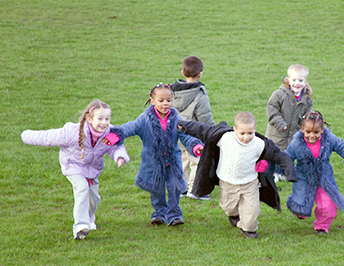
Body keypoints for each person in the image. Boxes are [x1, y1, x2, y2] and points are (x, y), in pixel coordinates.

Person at [21, 99, 130, 240]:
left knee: (94, 198)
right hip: (73, 166)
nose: (104, 122)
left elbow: (116, 147)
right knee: (82, 188)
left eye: (107, 118)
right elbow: (48, 137)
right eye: (100, 118)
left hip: (92, 170)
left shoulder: (110, 133)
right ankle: (80, 227)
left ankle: (90, 217)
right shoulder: (72, 132)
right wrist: (26, 136)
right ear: (89, 119)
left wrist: (119, 157)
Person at [178, 112, 296, 239]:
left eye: (250, 133)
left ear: (255, 129)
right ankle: (234, 215)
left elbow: (280, 156)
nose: (246, 137)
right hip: (227, 182)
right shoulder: (224, 138)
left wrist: (289, 173)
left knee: (252, 211)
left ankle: (248, 229)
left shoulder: (260, 144)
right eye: (242, 133)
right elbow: (202, 129)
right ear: (235, 130)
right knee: (229, 207)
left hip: (250, 183)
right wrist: (183, 125)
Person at [103, 83, 203, 227]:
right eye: (161, 100)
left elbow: (186, 135)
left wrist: (196, 145)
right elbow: (130, 127)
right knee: (156, 188)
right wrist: (115, 136)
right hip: (153, 162)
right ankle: (159, 213)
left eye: (168, 100)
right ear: (152, 101)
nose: (165, 104)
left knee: (175, 186)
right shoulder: (145, 118)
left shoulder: (176, 117)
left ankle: (174, 214)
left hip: (172, 161)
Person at [285, 111, 344, 234]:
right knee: (300, 207)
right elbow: (286, 157)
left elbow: (342, 147)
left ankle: (322, 226)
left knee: (329, 206)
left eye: (316, 132)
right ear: (302, 129)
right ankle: (302, 211)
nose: (312, 136)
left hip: (324, 178)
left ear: (322, 130)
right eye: (308, 132)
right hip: (304, 178)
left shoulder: (329, 139)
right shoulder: (296, 143)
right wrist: (274, 167)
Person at [171, 55, 214, 200]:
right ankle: (196, 190)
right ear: (200, 74)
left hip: (175, 134)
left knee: (181, 159)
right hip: (194, 137)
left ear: (182, 73)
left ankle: (180, 189)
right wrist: (211, 132)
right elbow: (205, 117)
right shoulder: (200, 94)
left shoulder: (172, 91)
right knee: (197, 161)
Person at [265, 64, 313, 181]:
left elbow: (307, 115)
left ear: (305, 82)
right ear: (288, 79)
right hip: (277, 132)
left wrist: (307, 125)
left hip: (293, 133)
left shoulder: (307, 98)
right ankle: (273, 173)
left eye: (300, 80)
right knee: (275, 152)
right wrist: (280, 123)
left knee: (290, 153)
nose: (297, 83)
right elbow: (272, 109)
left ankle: (283, 172)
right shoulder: (279, 94)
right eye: (294, 80)